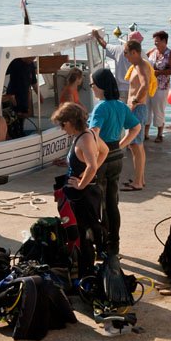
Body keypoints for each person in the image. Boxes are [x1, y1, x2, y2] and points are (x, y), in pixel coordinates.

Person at [87, 67, 142, 255]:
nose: (91, 88)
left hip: (102, 156)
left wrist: (100, 151)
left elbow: (94, 133)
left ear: (100, 86)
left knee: (98, 202)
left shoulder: (100, 107)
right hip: (116, 155)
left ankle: (101, 244)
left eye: (92, 84)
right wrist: (121, 144)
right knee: (112, 202)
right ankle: (114, 243)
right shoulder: (120, 105)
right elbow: (136, 127)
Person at [53, 102, 105, 275]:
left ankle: (86, 273)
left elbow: (92, 165)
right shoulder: (89, 134)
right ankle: (84, 269)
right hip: (82, 192)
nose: (62, 128)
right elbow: (104, 151)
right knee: (81, 233)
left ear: (70, 121)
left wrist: (82, 182)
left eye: (63, 124)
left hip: (83, 195)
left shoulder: (85, 139)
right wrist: (69, 163)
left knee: (83, 235)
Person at [123, 39, 154, 190]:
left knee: (136, 146)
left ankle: (138, 182)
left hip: (138, 108)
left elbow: (145, 85)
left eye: (126, 53)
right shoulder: (136, 66)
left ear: (134, 52)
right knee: (136, 146)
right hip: (138, 108)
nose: (125, 56)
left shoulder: (141, 66)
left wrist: (134, 102)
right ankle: (140, 179)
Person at [146, 31, 171, 143]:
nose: (155, 43)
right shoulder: (153, 51)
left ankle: (160, 134)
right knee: (147, 109)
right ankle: (146, 133)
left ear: (164, 41)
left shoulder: (170, 53)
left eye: (157, 41)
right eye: (154, 41)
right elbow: (143, 58)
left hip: (161, 86)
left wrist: (159, 72)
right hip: (149, 86)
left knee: (159, 110)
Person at [93, 28, 142, 98]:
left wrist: (97, 36)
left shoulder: (118, 49)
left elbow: (104, 45)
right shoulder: (141, 55)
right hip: (135, 89)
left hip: (120, 89)